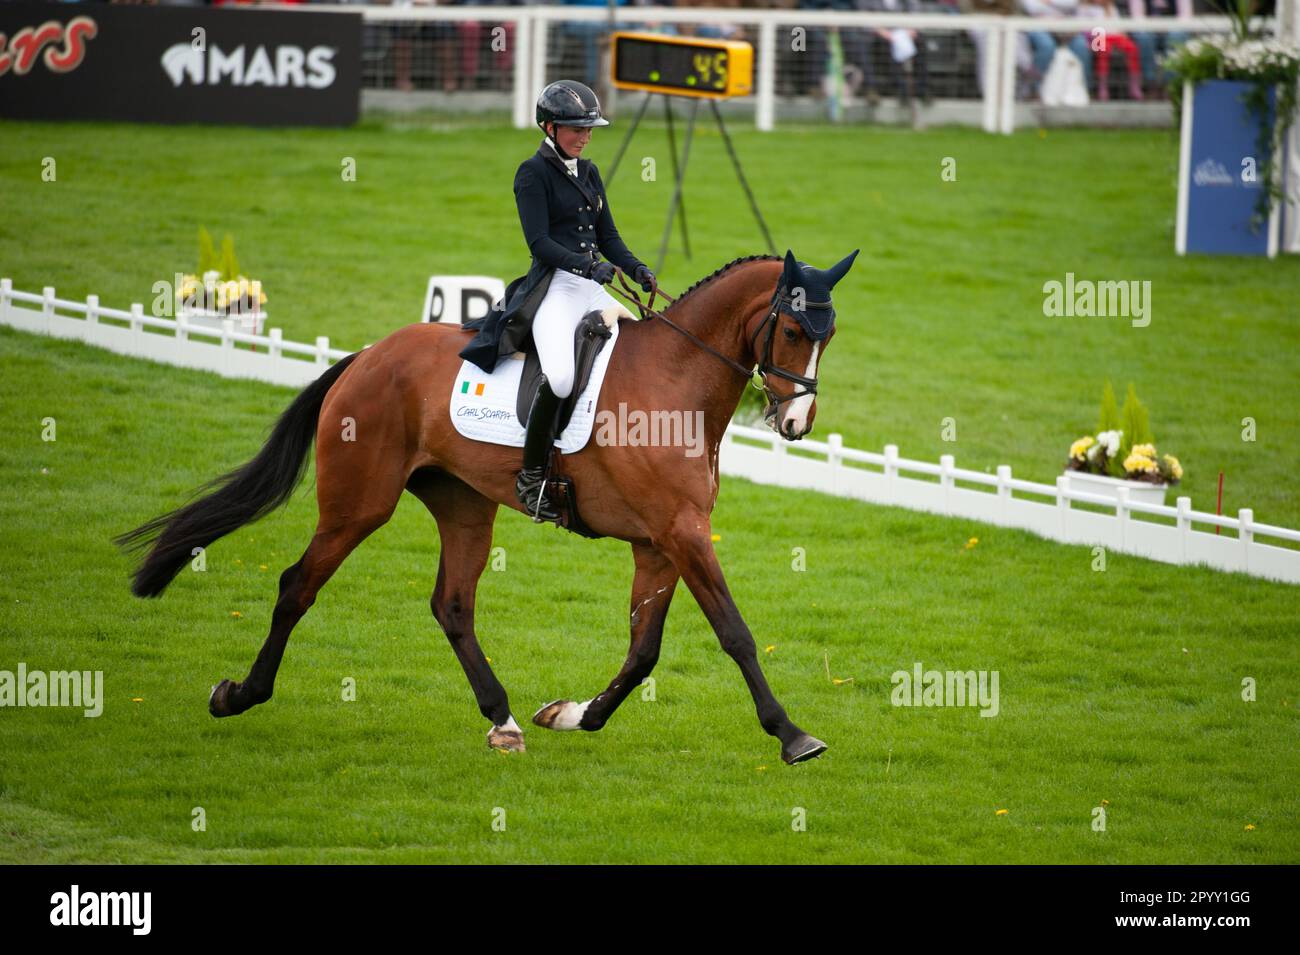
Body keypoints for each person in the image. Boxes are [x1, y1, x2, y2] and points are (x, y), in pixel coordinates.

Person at [461, 80, 655, 524]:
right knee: (563, 377)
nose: (585, 137)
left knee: (641, 348)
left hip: (591, 284)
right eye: (576, 129)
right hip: (557, 288)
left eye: (590, 130)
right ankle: (531, 477)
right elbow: (540, 242)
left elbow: (607, 236)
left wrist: (636, 267)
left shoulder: (588, 171)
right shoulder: (532, 173)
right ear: (549, 127)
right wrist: (589, 268)